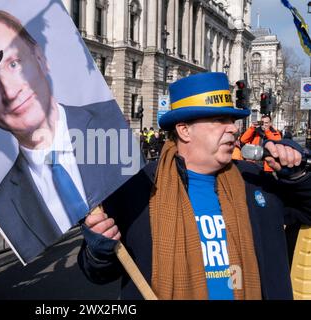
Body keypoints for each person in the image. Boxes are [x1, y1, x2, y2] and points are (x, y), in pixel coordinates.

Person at [77, 72, 311, 300]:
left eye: (232, 120)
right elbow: (98, 272)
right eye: (220, 120)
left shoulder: (254, 181)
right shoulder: (137, 188)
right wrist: (98, 252)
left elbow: (306, 211)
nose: (233, 128)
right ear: (184, 130)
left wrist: (299, 177)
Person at [0, 9, 139, 262]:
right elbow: (96, 271)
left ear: (40, 57)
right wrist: (99, 255)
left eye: (13, 64)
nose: (10, 91)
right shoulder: (2, 203)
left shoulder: (114, 132)